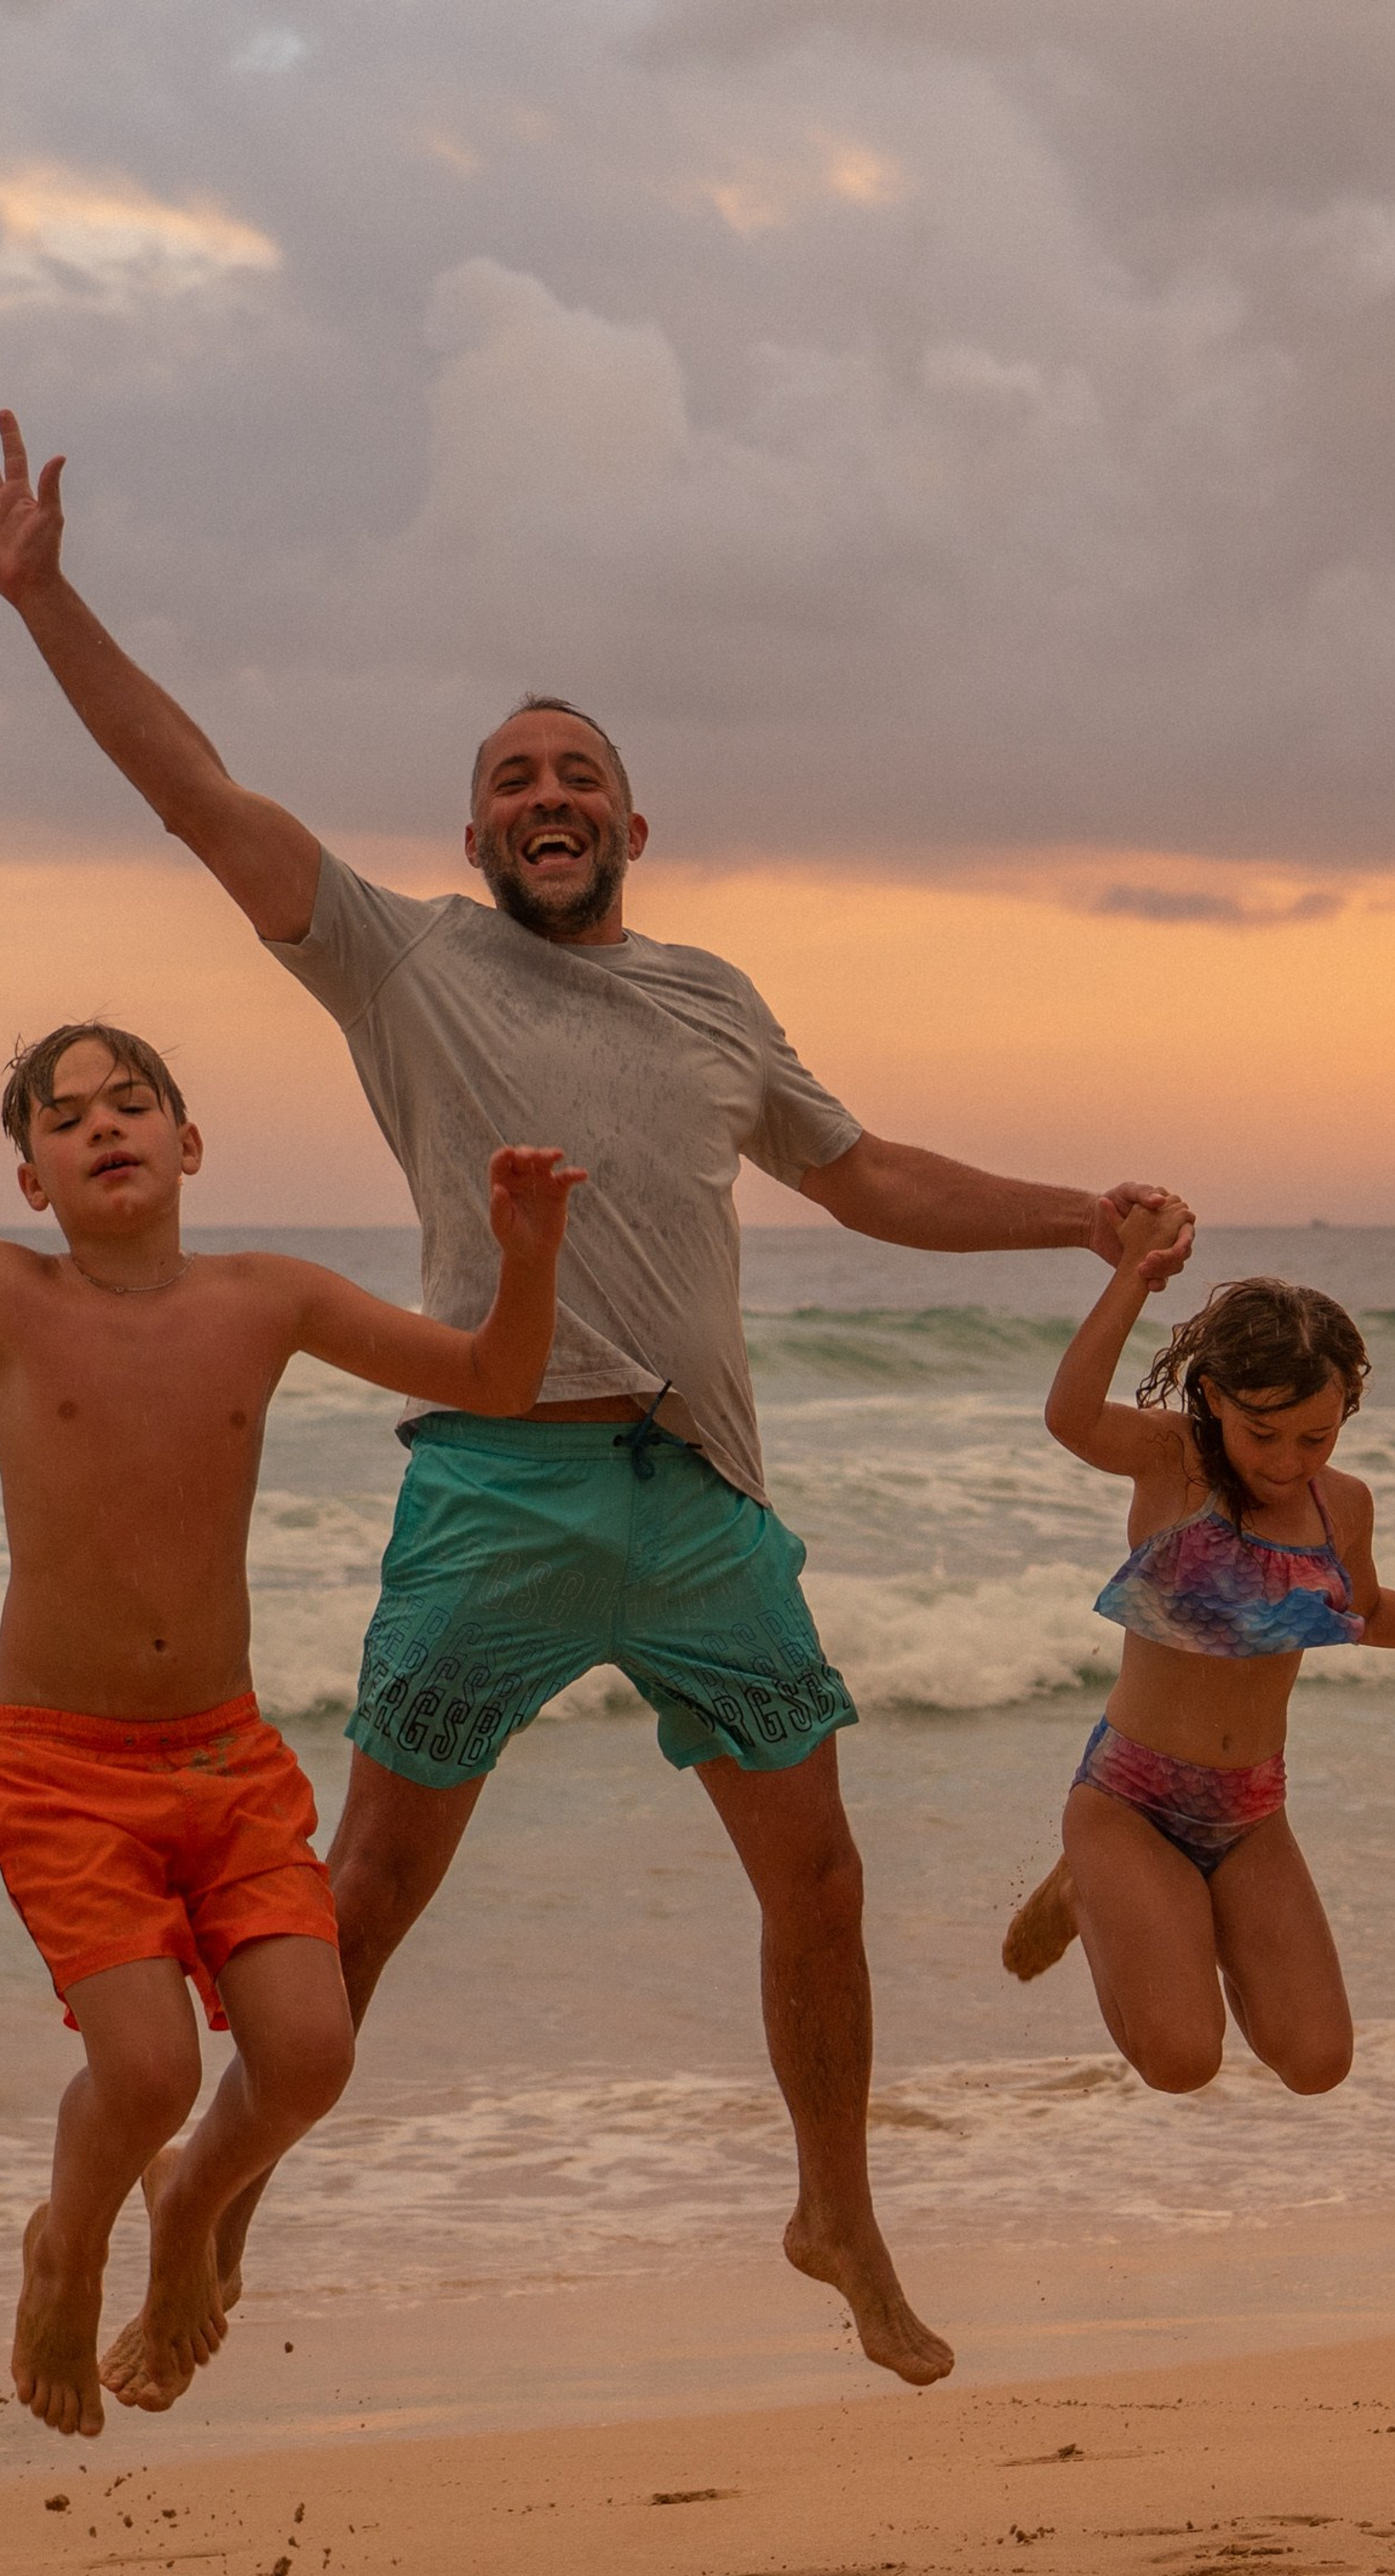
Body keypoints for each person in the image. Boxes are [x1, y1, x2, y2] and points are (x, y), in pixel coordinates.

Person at [0, 407, 1190, 2393]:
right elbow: (197, 793)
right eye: (511, 781)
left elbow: (861, 1174)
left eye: (579, 776)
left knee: (817, 1874)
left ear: (634, 827)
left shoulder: (715, 1001)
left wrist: (1079, 1217)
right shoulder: (402, 964)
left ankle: (836, 2210)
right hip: (502, 1482)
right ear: (474, 840)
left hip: (700, 1491)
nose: (545, 796)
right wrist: (42, 595)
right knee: (362, 1900)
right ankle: (210, 2209)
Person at [1, 1021, 577, 2436]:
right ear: (30, 1180)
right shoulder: (13, 1298)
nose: (103, 1127)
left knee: (311, 2056)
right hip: (58, 1763)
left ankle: (187, 2217)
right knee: (144, 2069)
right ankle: (66, 2249)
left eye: (131, 1103)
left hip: (226, 1753)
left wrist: (528, 1252)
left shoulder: (268, 1297)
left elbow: (496, 1380)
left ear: (189, 1143)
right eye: (64, 1119)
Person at [1001, 1204, 1395, 2093]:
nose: (1286, 1460)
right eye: (1262, 1433)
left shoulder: (1340, 1507)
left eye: (1316, 1436)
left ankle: (1150, 1908)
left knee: (1317, 2062)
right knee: (1182, 2060)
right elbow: (1069, 1414)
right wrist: (1134, 1276)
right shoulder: (1173, 1463)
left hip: (1251, 1809)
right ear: (1212, 1402)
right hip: (1131, 1797)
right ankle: (1091, 1884)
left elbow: (1369, 1611)